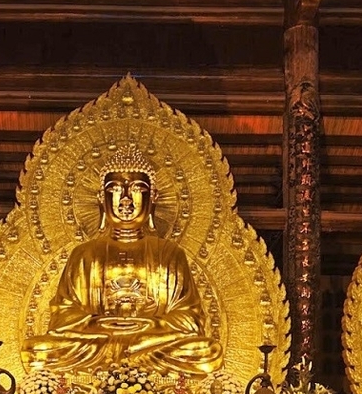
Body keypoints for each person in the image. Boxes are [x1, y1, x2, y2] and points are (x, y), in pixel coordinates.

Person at [23, 145, 221, 377]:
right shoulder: (84, 254)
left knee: (208, 352)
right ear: (101, 198)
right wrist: (99, 324)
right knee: (35, 351)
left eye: (137, 189)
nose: (126, 199)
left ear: (153, 197)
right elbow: (62, 317)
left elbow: (191, 318)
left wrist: (150, 325)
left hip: (150, 342)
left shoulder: (170, 253)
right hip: (97, 343)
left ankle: (125, 357)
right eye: (115, 189)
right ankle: (125, 357)